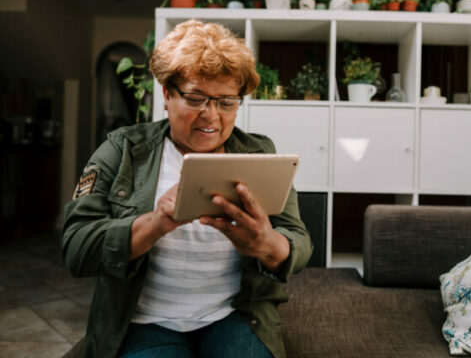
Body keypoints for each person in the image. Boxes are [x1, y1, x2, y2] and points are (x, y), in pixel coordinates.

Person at [61, 20, 313, 358]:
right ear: (167, 93)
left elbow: (299, 239)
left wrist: (269, 245)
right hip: (144, 321)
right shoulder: (121, 150)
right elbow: (76, 248)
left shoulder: (259, 154)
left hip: (234, 314)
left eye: (226, 102)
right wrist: (156, 223)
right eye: (196, 98)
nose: (211, 116)